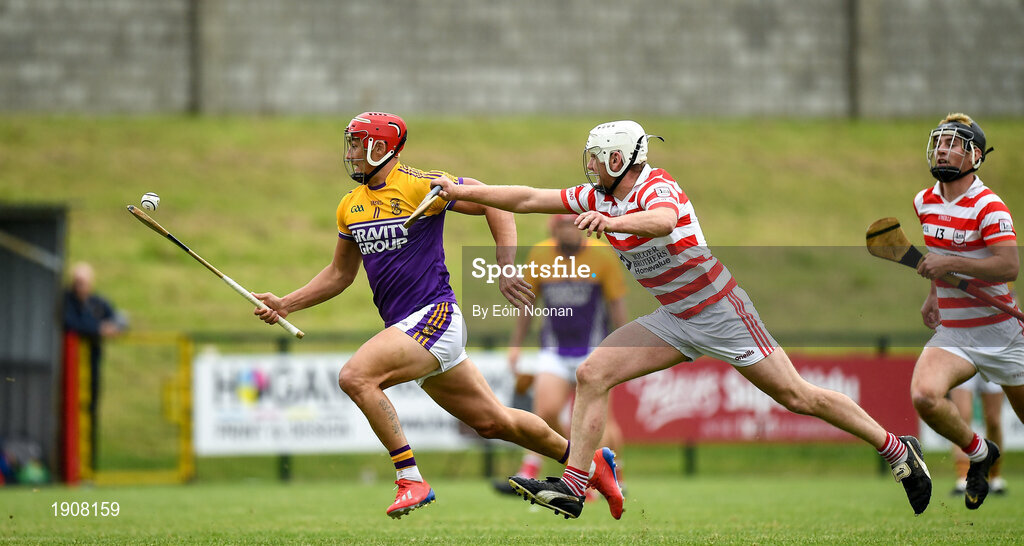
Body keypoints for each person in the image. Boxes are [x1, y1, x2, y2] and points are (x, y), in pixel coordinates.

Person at [431, 120, 932, 519]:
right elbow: (526, 198)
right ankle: (573, 486)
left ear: (620, 158)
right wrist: (460, 190)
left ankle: (896, 449)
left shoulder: (657, 185)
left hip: (722, 312)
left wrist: (612, 223)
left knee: (799, 396)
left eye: (596, 157)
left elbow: (663, 222)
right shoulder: (597, 197)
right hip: (674, 318)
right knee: (593, 373)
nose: (588, 166)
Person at [251, 112, 620, 519]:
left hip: (434, 316)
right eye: (350, 144)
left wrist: (505, 263)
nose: (351, 153)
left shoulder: (421, 185)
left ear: (380, 146)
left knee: (356, 376)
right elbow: (340, 275)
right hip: (409, 329)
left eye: (357, 144)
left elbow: (489, 199)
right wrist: (287, 303)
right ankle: (589, 464)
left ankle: (410, 478)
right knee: (495, 423)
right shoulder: (349, 207)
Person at [911, 112, 1024, 510]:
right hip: (956, 332)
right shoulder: (924, 202)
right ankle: (979, 454)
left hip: (1001, 331)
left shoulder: (989, 206)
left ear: (974, 155)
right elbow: (939, 259)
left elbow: (1008, 266)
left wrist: (950, 266)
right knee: (925, 396)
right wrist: (933, 295)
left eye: (952, 143)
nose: (942, 149)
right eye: (939, 142)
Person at [494, 214, 628, 498]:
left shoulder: (601, 256)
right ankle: (578, 469)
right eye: (563, 225)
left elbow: (616, 304)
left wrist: (626, 345)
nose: (569, 231)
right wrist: (516, 344)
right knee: (546, 411)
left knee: (603, 422)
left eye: (574, 225)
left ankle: (613, 478)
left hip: (594, 349)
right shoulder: (541, 254)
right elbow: (527, 303)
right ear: (554, 228)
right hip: (554, 349)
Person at [62, 262, 127, 470]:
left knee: (91, 413)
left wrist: (115, 327)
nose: (80, 286)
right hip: (69, 370)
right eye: (77, 282)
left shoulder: (97, 303)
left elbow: (120, 320)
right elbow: (70, 324)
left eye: (84, 282)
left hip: (92, 366)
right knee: (69, 415)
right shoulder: (66, 302)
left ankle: (89, 467)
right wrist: (99, 329)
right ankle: (69, 467)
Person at [949, 376, 1007, 496]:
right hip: (964, 358)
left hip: (992, 358)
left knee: (994, 421)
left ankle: (993, 476)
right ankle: (964, 477)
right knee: (961, 418)